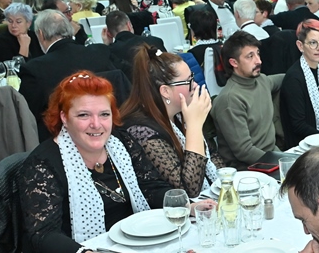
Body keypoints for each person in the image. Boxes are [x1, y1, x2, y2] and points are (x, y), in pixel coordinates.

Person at [18, 70, 172, 253]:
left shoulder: (121, 143)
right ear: (64, 118)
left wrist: (183, 205)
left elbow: (151, 187)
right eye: (83, 115)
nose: (96, 124)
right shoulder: (43, 163)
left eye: (104, 114)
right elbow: (43, 234)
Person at [120, 44, 219, 197]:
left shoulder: (179, 113)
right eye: (188, 81)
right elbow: (189, 189)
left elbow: (212, 155)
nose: (195, 85)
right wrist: (194, 126)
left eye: (192, 77)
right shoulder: (141, 130)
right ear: (165, 91)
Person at [20, 10, 120, 140]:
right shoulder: (100, 52)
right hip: (108, 131)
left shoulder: (35, 68)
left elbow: (26, 116)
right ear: (69, 30)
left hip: (60, 140)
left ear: (41, 34)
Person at [211, 31, 284, 169]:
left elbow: (286, 78)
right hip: (247, 168)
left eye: (258, 53)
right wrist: (281, 164)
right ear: (234, 62)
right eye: (250, 56)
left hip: (272, 155)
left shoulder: (261, 80)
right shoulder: (230, 100)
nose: (258, 61)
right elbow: (245, 152)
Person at [280, 20, 319, 149]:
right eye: (313, 43)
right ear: (300, 46)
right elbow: (298, 125)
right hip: (303, 146)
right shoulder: (294, 78)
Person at [104, 10, 167, 80]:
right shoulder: (155, 41)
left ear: (108, 33)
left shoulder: (110, 52)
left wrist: (106, 45)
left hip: (130, 86)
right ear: (129, 25)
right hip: (159, 83)